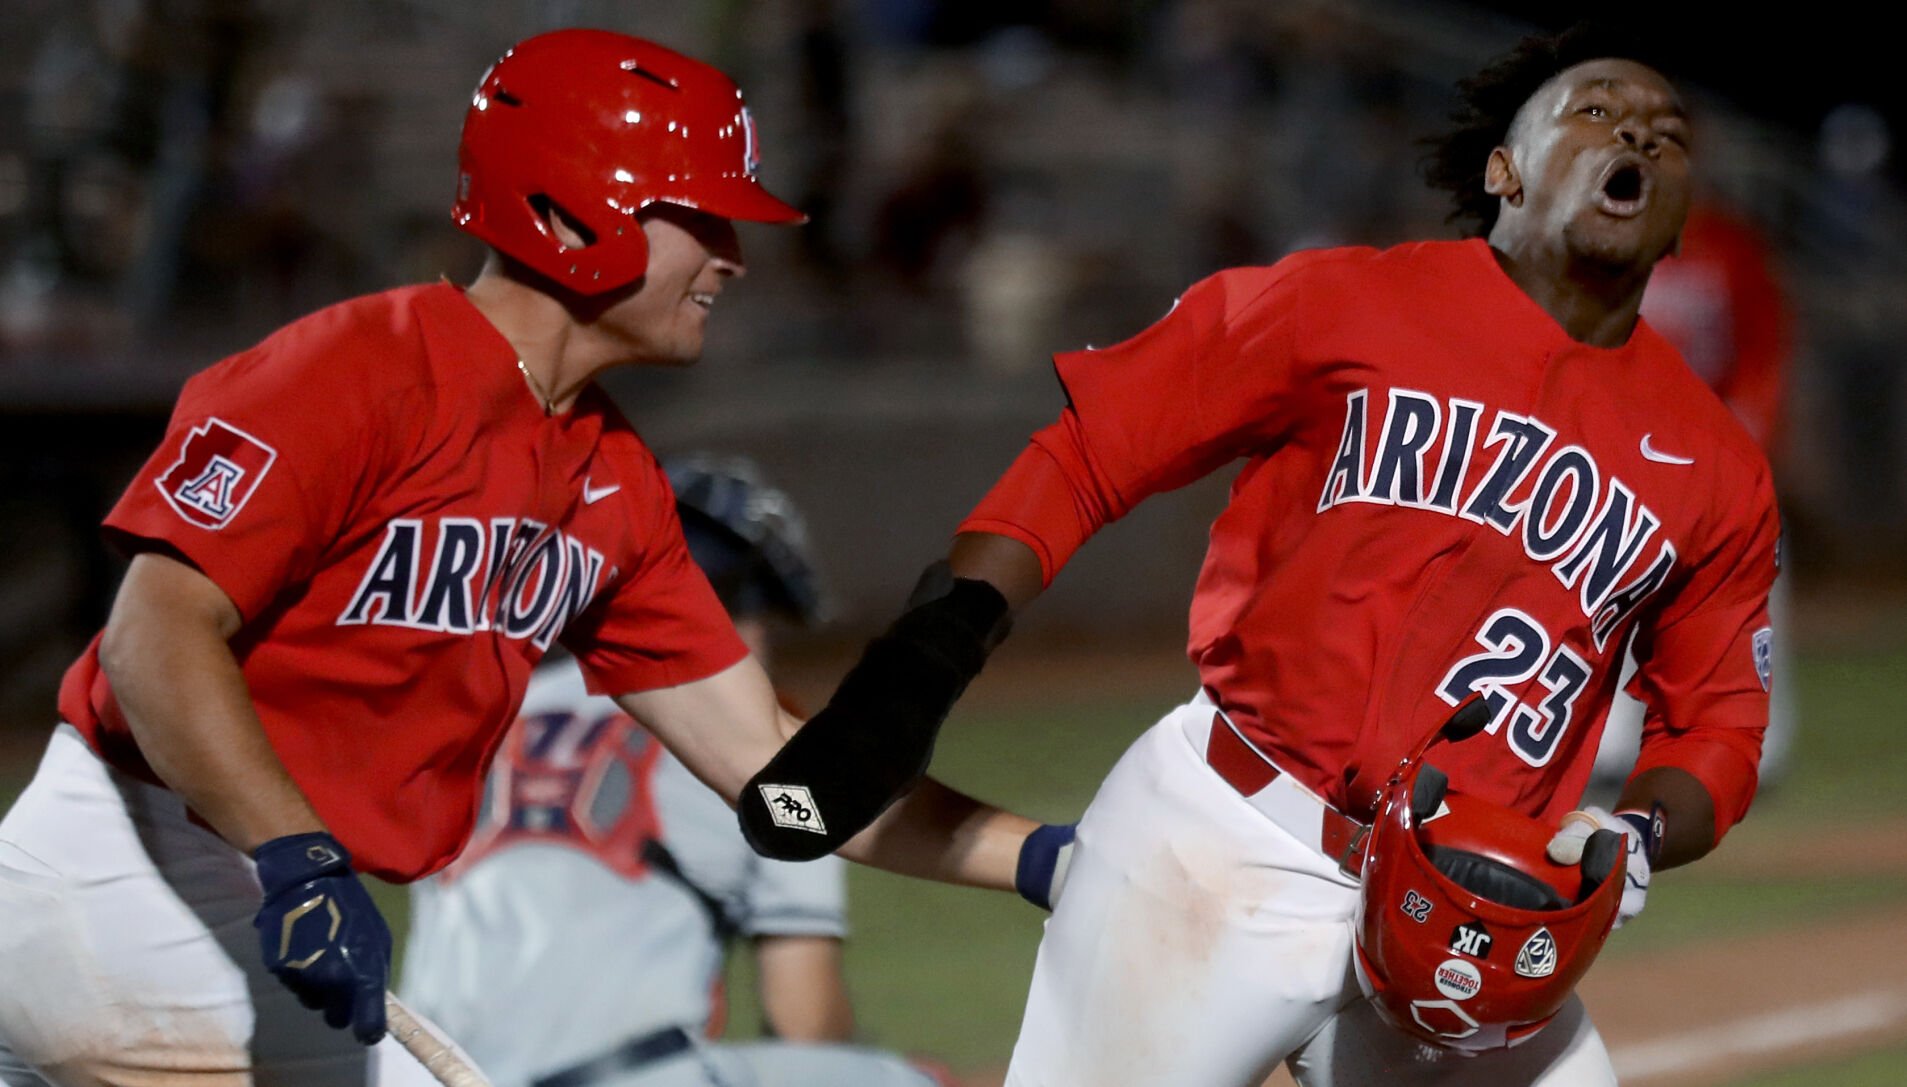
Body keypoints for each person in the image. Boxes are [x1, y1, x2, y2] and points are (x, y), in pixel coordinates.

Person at [0, 30, 1063, 1087]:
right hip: (128, 873)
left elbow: (779, 766)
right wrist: (297, 855)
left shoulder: (610, 477)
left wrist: (1037, 858)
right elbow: (153, 631)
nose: (730, 259)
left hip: (252, 893)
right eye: (698, 219)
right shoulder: (353, 371)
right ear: (565, 215)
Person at [741, 23, 1779, 1087]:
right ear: (1502, 170)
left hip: (1470, 904)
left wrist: (1644, 827)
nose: (1639, 140)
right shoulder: (1344, 301)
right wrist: (936, 642)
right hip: (1219, 846)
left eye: (1666, 132)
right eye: (1599, 112)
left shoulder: (1713, 465)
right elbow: (1094, 451)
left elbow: (1718, 722)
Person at [396, 454, 954, 1087]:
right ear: (718, 616)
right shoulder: (765, 748)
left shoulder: (493, 714)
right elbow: (804, 1016)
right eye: (759, 617)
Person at [1592, 197, 1797, 797]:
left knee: (1757, 590)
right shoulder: (1613, 242)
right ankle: (1612, 745)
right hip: (1631, 449)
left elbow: (1763, 348)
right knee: (1615, 583)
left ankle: (1765, 741)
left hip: (1721, 444)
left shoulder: (1731, 246)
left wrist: (1752, 439)